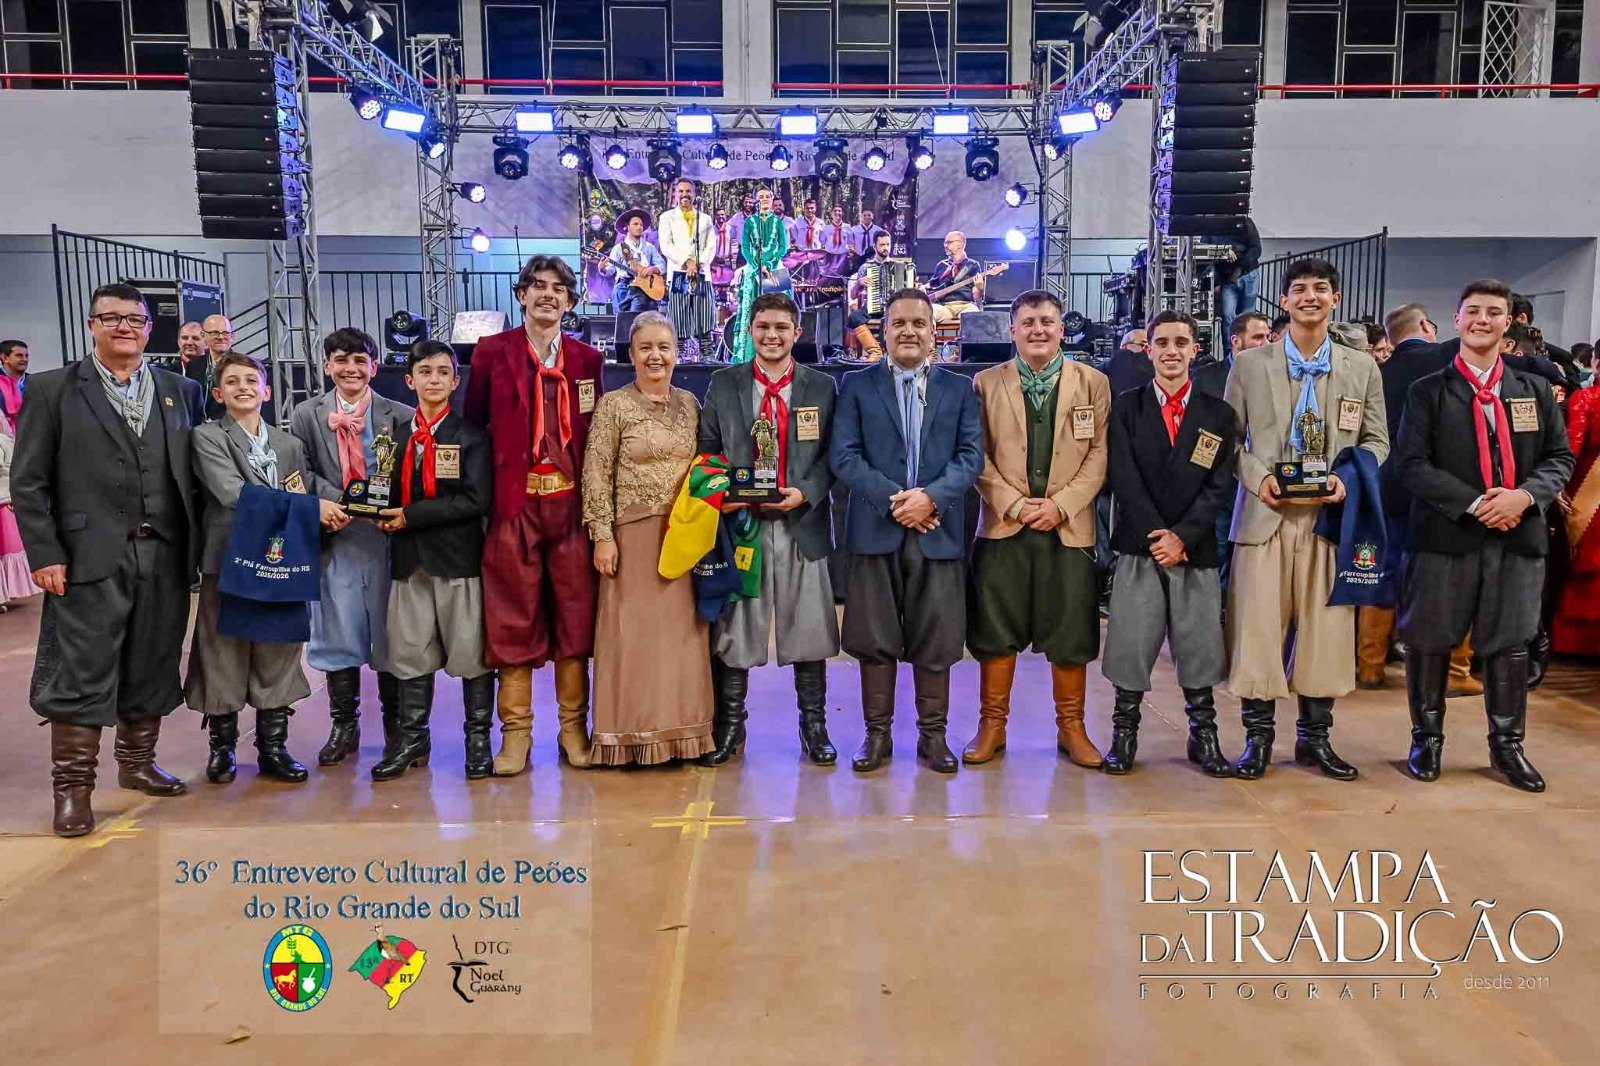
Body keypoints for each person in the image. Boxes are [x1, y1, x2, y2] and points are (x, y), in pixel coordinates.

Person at [12, 283, 205, 837]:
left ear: (149, 328)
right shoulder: (51, 389)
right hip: (85, 557)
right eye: (111, 318)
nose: (124, 327)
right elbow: (28, 482)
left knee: (152, 661)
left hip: (165, 553)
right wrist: (45, 553)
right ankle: (73, 791)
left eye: (135, 319)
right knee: (82, 671)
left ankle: (137, 764)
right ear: (92, 325)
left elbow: (196, 475)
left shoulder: (181, 390)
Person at [1397, 279, 1573, 792]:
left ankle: (1507, 746)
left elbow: (1559, 458)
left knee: (1510, 643)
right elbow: (1411, 464)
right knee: (1429, 640)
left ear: (1508, 323)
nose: (1482, 320)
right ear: (1456, 319)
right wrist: (1476, 504)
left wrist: (1524, 497)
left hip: (1518, 537)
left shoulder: (1533, 390)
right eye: (1472, 311)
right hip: (1446, 536)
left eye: (1493, 312)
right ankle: (1426, 739)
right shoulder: (1427, 391)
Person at [1224, 258, 1388, 781]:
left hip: (1329, 519)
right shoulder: (1250, 365)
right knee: (1257, 630)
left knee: (1327, 632)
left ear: (1335, 299)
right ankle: (1257, 739)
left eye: (1320, 288)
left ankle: (1315, 739)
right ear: (1285, 301)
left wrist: (1350, 479)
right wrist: (1258, 479)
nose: (1309, 297)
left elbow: (1377, 440)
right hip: (1266, 515)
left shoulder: (1361, 368)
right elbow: (1229, 441)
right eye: (1298, 289)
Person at [830, 288, 983, 773]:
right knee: (873, 638)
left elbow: (970, 457)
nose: (909, 331)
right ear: (885, 331)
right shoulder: (856, 386)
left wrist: (931, 498)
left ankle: (932, 737)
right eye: (899, 323)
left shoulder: (959, 389)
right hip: (875, 530)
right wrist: (896, 501)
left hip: (937, 531)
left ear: (934, 333)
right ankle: (876, 736)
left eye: (919, 323)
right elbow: (844, 456)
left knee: (936, 639)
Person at [465, 255, 605, 773]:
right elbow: (475, 426)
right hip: (514, 505)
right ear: (521, 294)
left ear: (570, 301)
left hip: (569, 504)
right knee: (512, 617)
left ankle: (573, 731)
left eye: (558, 288)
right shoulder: (491, 352)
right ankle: (516, 737)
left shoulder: (587, 360)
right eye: (538, 286)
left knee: (575, 618)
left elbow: (594, 436)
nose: (548, 295)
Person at [964, 290, 1109, 769]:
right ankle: (992, 725)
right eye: (1027, 322)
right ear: (1012, 330)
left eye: (1047, 321)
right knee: (995, 630)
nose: (1038, 330)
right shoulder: (985, 383)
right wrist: (1014, 503)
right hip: (1004, 526)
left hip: (1069, 528)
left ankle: (1072, 727)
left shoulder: (1094, 383)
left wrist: (1061, 506)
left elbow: (1098, 456)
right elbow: (976, 455)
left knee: (1071, 632)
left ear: (1062, 328)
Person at [696, 294, 840, 765]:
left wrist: (807, 492)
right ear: (750, 330)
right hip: (744, 526)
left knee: (810, 628)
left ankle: (814, 726)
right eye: (762, 327)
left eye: (781, 327)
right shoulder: (724, 383)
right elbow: (707, 451)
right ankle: (730, 727)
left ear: (797, 332)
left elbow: (834, 455)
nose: (772, 335)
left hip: (802, 523)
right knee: (736, 630)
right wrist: (726, 494)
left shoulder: (821, 386)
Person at [1100, 311, 1242, 775]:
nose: (1171, 351)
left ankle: (1204, 734)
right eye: (1161, 342)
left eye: (1181, 342)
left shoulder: (1219, 414)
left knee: (1199, 645)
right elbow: (1122, 476)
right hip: (1140, 546)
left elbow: (1220, 486)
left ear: (1195, 350)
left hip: (1194, 549)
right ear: (1148, 350)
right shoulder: (1126, 407)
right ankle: (1124, 734)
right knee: (1131, 644)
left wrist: (1183, 535)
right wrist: (1158, 535)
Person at [582, 312, 714, 765]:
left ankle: (684, 733)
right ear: (632, 354)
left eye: (663, 347)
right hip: (632, 537)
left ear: (676, 354)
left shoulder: (691, 404)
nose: (655, 356)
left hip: (683, 537)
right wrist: (602, 535)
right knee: (630, 638)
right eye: (645, 348)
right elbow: (596, 473)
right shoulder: (613, 405)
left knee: (682, 639)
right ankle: (627, 737)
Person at [187, 351, 323, 786]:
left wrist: (334, 505)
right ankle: (222, 747)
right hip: (229, 558)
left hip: (283, 560)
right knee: (222, 650)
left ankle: (273, 747)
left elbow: (301, 491)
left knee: (278, 650)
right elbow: (232, 493)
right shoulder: (207, 437)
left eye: (251, 380)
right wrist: (314, 508)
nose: (243, 387)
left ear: (266, 391)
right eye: (232, 381)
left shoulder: (288, 445)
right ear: (218, 393)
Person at [290, 327, 411, 769]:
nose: (351, 369)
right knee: (337, 630)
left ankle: (398, 728)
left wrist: (388, 505)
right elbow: (299, 470)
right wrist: (334, 502)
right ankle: (345, 725)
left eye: (360, 360)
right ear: (327, 366)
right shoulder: (306, 414)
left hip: (384, 537)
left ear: (374, 367)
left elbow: (409, 473)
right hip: (336, 534)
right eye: (341, 360)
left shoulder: (400, 414)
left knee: (390, 631)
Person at [375, 340, 495, 781]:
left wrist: (410, 516)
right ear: (409, 380)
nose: (434, 380)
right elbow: (384, 491)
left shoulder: (471, 437)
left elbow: (475, 500)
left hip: (458, 561)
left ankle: (478, 741)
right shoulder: (395, 440)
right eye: (425, 372)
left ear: (455, 381)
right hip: (410, 563)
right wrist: (374, 509)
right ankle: (412, 739)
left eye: (443, 372)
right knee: (409, 652)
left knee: (471, 654)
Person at [1364, 302, 1455, 691]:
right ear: (1424, 325)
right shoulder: (1444, 359)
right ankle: (1442, 670)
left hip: (1384, 486)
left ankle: (1369, 664)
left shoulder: (1377, 373)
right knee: (1435, 577)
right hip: (1434, 488)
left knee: (1379, 573)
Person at [1195, 310, 1272, 590]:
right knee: (1218, 553)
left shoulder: (1275, 376)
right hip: (1219, 484)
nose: (1265, 343)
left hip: (1260, 483)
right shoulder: (1206, 378)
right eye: (1258, 337)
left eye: (1268, 337)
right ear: (1235, 341)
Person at [1553, 370, 1600, 655]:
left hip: (1588, 492)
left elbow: (1571, 444)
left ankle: (1579, 643)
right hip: (1591, 489)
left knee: (1586, 561)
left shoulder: (1586, 398)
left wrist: (1557, 483)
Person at [657, 178, 718, 359]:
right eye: (681, 191)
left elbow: (711, 246)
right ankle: (679, 355)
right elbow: (666, 246)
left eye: (688, 191)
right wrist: (686, 262)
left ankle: (707, 355)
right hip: (679, 274)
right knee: (679, 316)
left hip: (701, 273)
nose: (685, 194)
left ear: (694, 194)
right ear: (675, 194)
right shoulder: (667, 217)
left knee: (704, 314)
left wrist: (698, 263)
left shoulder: (704, 219)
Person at [732, 187, 791, 364]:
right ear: (756, 201)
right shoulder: (749, 222)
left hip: (774, 268)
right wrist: (757, 265)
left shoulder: (778, 222)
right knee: (754, 311)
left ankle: (778, 353)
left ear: (772, 199)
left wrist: (769, 264)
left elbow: (783, 247)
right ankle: (750, 355)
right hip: (754, 268)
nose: (764, 199)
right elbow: (744, 248)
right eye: (761, 197)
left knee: (779, 309)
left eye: (767, 196)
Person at [0, 404, 34, 606]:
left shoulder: (4, 442)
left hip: (3, 502)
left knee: (7, 549)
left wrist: (13, 496)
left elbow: (13, 470)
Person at [845, 231, 897, 361]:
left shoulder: (898, 266)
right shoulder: (866, 267)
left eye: (888, 244)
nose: (886, 248)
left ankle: (895, 355)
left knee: (892, 318)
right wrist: (859, 283)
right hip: (872, 306)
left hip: (893, 308)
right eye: (882, 245)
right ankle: (875, 351)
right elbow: (853, 295)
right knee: (854, 317)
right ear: (875, 246)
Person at [1213, 217, 1261, 357]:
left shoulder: (1245, 222)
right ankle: (1231, 353)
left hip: (1246, 273)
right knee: (1229, 316)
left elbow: (1256, 248)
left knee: (1245, 316)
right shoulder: (1242, 222)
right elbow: (1207, 249)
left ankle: (1245, 351)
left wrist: (1240, 267)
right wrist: (1224, 252)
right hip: (1231, 276)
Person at [606, 208, 666, 314]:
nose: (639, 227)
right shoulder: (619, 248)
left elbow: (662, 265)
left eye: (641, 225)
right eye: (635, 224)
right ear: (627, 227)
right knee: (622, 321)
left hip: (642, 289)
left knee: (636, 318)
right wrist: (602, 269)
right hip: (622, 288)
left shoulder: (649, 247)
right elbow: (610, 270)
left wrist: (653, 269)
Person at [926, 231, 985, 325]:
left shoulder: (972, 265)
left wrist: (979, 288)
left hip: (965, 305)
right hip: (943, 306)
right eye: (945, 243)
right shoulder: (941, 265)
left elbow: (976, 298)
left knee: (973, 315)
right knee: (927, 312)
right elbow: (932, 287)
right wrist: (922, 289)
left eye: (949, 242)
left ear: (960, 245)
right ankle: (931, 335)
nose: (945, 245)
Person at [1099, 328, 1154, 397]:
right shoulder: (1122, 358)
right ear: (1125, 347)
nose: (1148, 350)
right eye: (1143, 345)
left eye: (1151, 346)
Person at [199, 314, 234, 420]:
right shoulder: (194, 364)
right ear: (203, 336)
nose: (221, 337)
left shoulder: (241, 366)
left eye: (226, 333)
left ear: (232, 337)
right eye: (215, 332)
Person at [0, 339, 28, 422]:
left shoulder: (35, 381)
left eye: (26, 356)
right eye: (19, 355)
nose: (24, 359)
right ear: (5, 358)